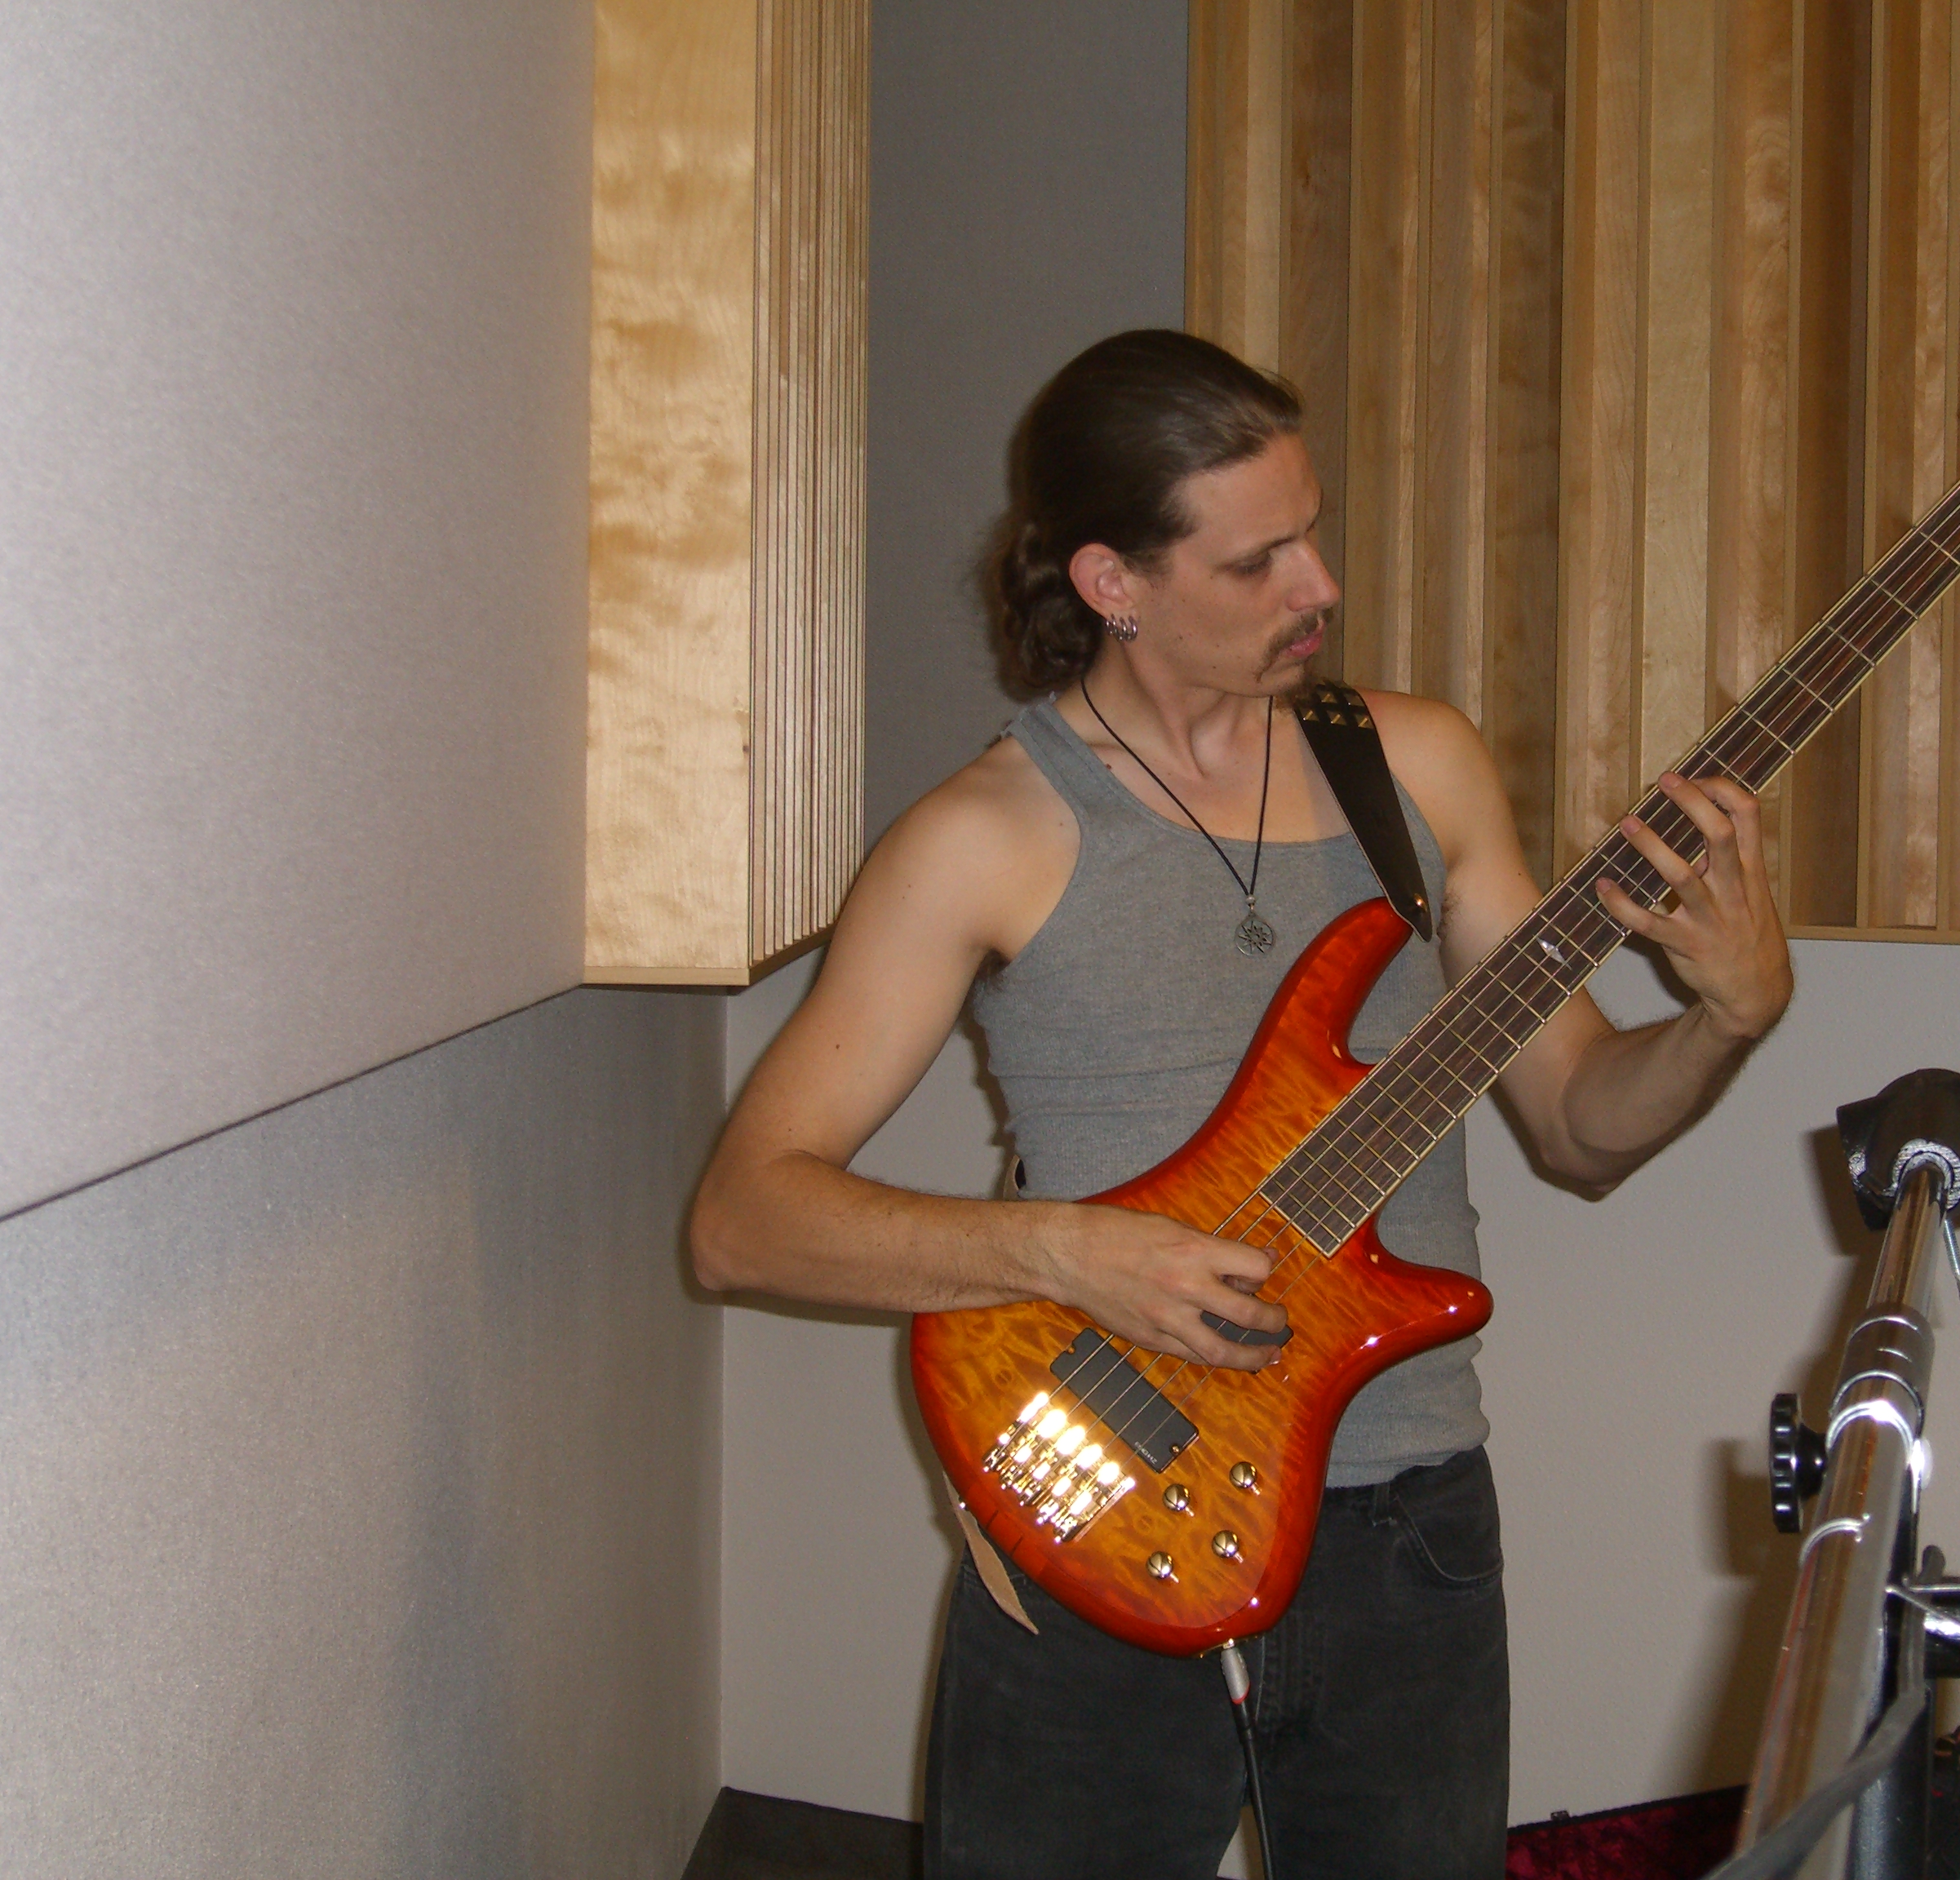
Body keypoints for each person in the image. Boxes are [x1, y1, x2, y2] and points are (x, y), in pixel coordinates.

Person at [690, 329, 1794, 1879]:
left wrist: (1732, 1017)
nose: (1318, 587)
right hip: (1099, 1518)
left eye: (1312, 533)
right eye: (1258, 559)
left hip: (1404, 1529)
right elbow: (745, 1219)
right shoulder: (985, 836)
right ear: (1113, 583)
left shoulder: (1416, 768)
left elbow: (1582, 1127)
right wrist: (1066, 1254)